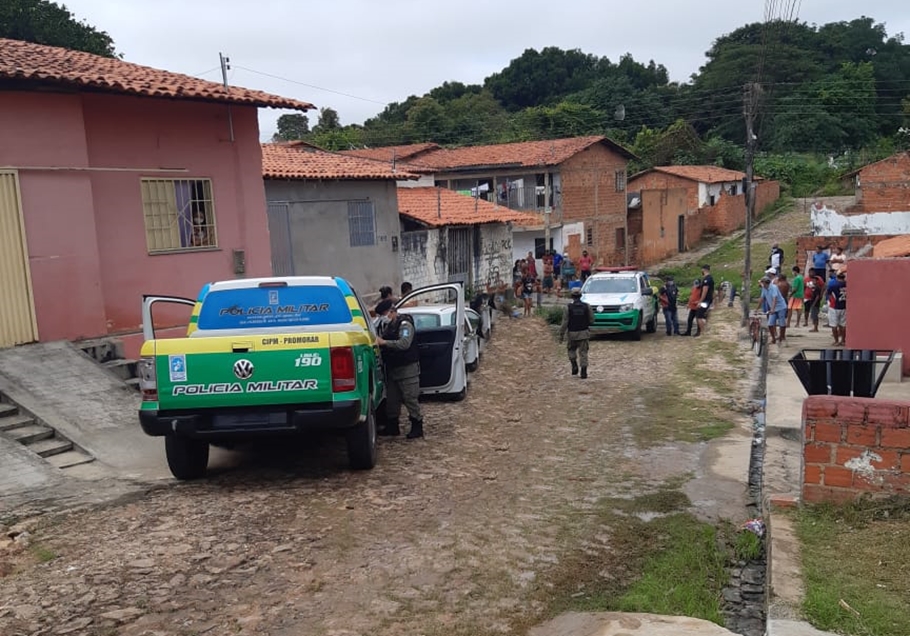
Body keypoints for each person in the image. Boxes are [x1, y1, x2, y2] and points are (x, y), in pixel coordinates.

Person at [374, 299, 423, 439]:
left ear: (391, 311)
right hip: (394, 369)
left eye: (384, 314)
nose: (383, 318)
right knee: (392, 401)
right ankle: (392, 427)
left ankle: (417, 425)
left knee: (410, 399)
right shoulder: (389, 326)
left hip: (408, 370)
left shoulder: (405, 324)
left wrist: (384, 343)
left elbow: (404, 343)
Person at [558, 287, 594, 379]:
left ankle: (574, 364)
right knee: (583, 352)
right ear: (581, 296)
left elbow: (565, 322)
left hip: (572, 334)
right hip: (583, 333)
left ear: (572, 296)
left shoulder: (568, 307)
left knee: (571, 350)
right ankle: (583, 371)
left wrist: (561, 334)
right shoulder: (587, 306)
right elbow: (592, 320)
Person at [758, 276, 787, 345]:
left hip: (780, 307)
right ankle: (773, 338)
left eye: (762, 283)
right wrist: (757, 308)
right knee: (770, 324)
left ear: (765, 283)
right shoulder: (764, 289)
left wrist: (772, 309)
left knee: (781, 322)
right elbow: (762, 298)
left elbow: (775, 298)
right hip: (773, 308)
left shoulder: (773, 287)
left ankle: (781, 336)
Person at [827, 271, 847, 346]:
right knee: (843, 325)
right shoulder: (847, 284)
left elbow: (829, 294)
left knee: (834, 325)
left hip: (834, 307)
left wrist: (829, 301)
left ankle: (836, 341)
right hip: (844, 306)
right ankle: (843, 340)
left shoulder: (833, 285)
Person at [696, 264, 715, 336]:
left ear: (703, 269)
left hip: (705, 301)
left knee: (699, 316)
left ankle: (703, 332)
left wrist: (700, 301)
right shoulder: (710, 278)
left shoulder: (707, 279)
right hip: (708, 300)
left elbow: (705, 291)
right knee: (704, 315)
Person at [774, 272, 791, 344]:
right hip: (785, 300)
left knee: (780, 319)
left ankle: (781, 335)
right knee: (783, 319)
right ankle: (782, 335)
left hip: (780, 301)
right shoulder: (787, 284)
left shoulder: (780, 285)